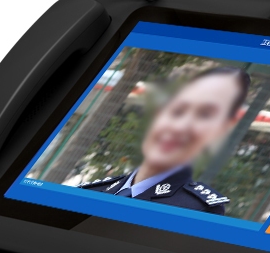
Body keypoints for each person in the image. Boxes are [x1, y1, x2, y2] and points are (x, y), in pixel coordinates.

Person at [79, 66, 250, 215]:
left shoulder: (196, 211)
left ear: (221, 130)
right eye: (177, 109)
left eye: (205, 115)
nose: (179, 127)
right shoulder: (91, 192)